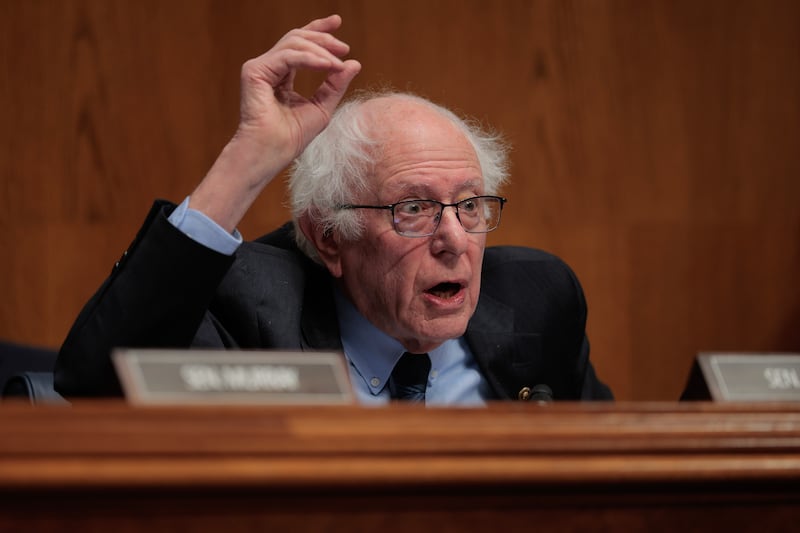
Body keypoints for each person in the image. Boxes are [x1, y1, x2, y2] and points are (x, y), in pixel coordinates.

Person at [55, 15, 612, 403]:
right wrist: (249, 159)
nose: (454, 239)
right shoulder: (250, 302)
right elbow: (95, 382)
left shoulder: (538, 299)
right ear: (328, 238)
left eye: (469, 205)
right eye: (413, 208)